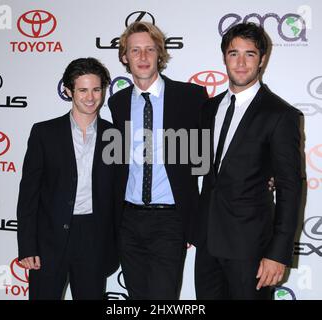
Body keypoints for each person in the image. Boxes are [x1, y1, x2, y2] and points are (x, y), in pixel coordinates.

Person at [193, 22, 303, 300]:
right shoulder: (208, 108)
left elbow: (290, 188)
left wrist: (278, 253)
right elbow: (205, 172)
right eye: (234, 53)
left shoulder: (280, 115)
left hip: (251, 250)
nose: (241, 63)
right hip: (207, 245)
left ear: (262, 59)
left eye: (250, 54)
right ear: (224, 58)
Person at [108, 21, 208, 299]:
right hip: (128, 220)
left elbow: (209, 153)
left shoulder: (190, 97)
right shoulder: (117, 103)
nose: (142, 57)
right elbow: (118, 162)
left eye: (149, 49)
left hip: (170, 220)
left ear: (159, 54)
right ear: (124, 57)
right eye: (135, 50)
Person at [17, 57, 118, 300]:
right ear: (68, 90)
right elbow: (28, 194)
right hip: (48, 240)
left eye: (96, 89)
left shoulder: (115, 135)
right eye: (82, 90)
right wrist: (27, 246)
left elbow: (119, 192)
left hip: (94, 239)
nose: (91, 97)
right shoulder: (44, 133)